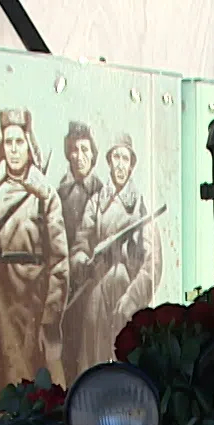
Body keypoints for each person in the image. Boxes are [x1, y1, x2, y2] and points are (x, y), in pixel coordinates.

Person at [0, 108, 69, 409]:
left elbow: (60, 261)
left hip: (32, 303)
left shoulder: (45, 194)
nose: (13, 150)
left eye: (19, 142)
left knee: (30, 386)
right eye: (8, 143)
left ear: (29, 145)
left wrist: (49, 315)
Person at [70, 135, 162, 379]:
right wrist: (80, 260)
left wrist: (131, 299)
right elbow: (81, 242)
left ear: (131, 165)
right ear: (109, 162)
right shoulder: (97, 203)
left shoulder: (140, 206)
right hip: (98, 289)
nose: (120, 164)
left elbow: (153, 262)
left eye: (125, 158)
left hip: (125, 292)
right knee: (93, 357)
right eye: (116, 157)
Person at [56, 121, 102, 377]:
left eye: (85, 149)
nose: (79, 156)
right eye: (74, 150)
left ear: (93, 154)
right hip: (68, 282)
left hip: (94, 282)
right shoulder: (59, 194)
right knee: (69, 344)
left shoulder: (102, 193)